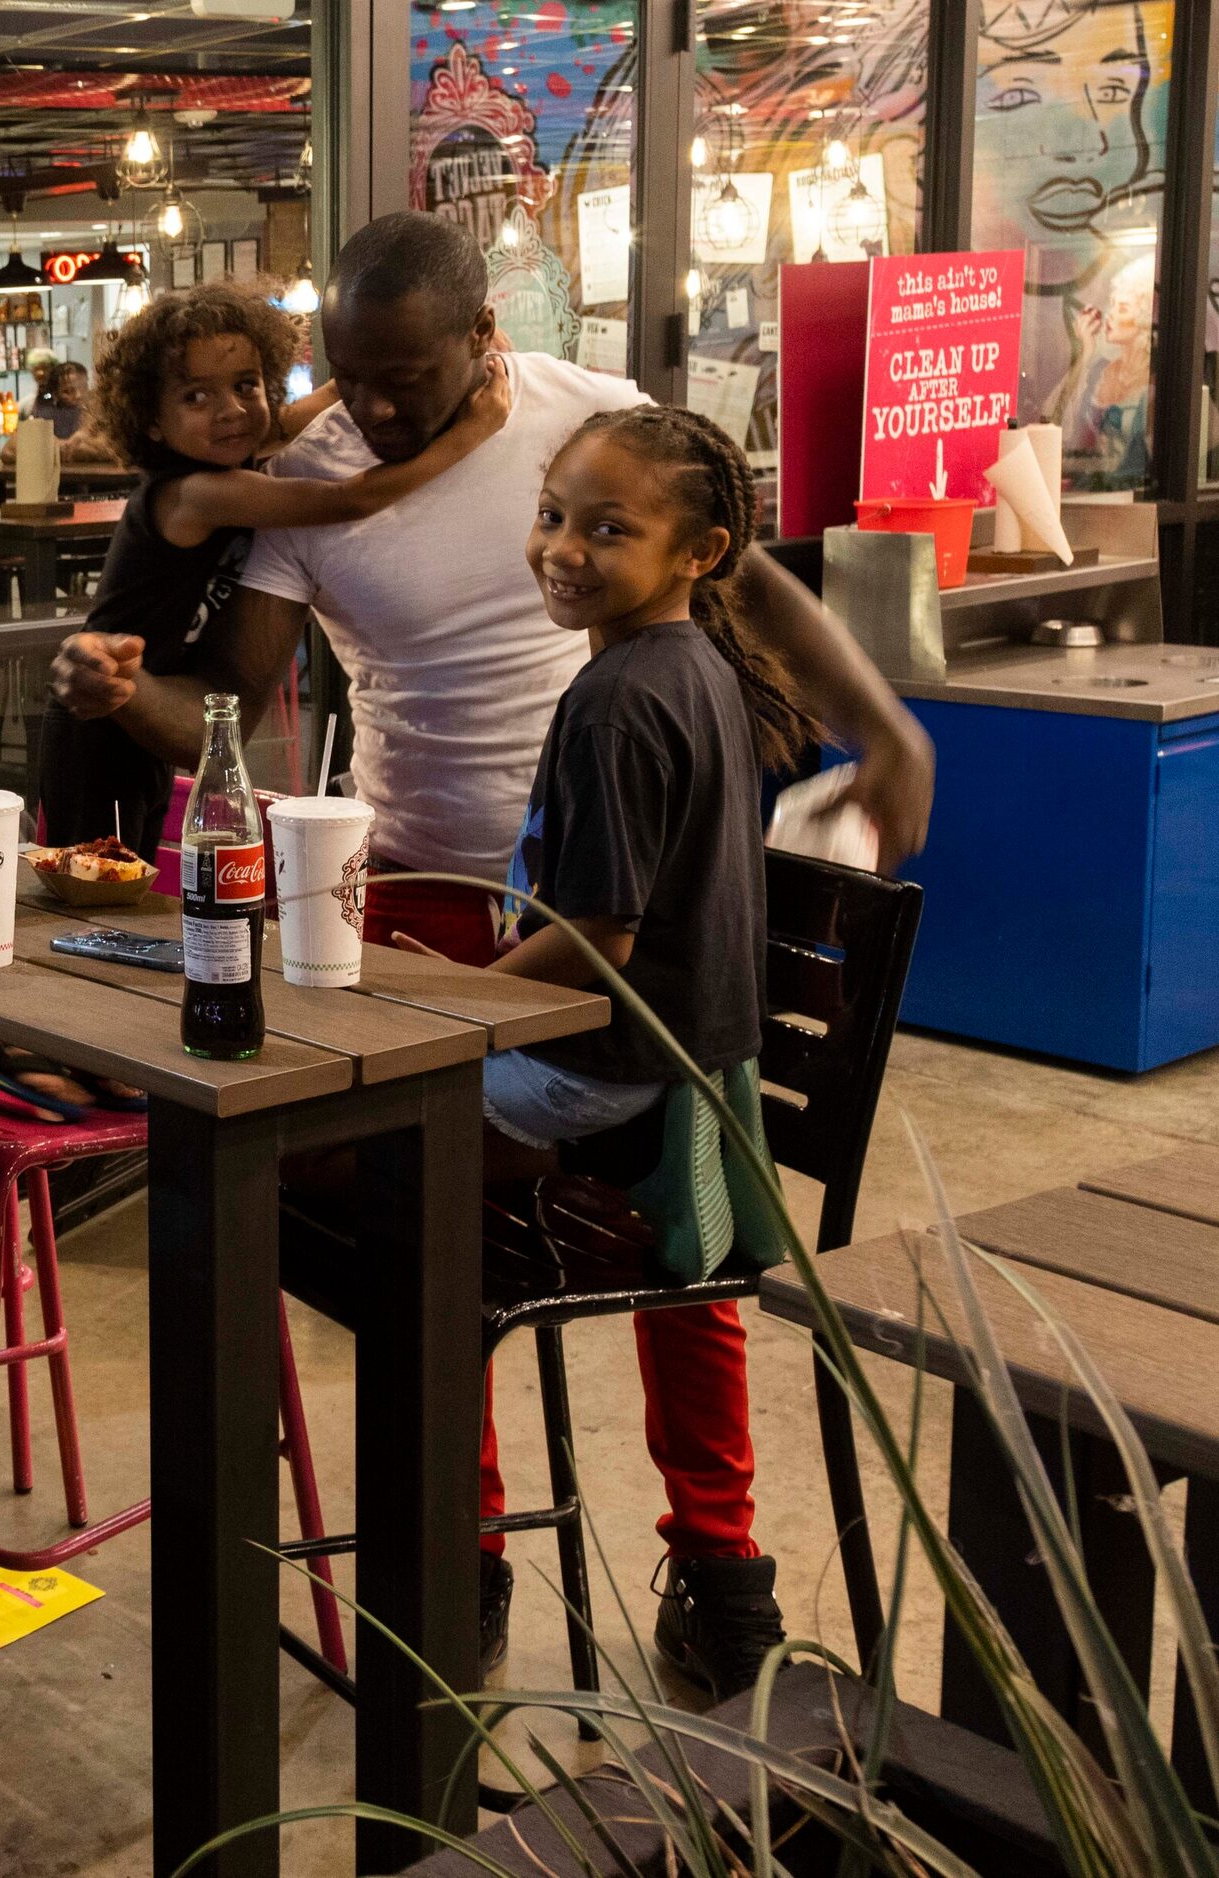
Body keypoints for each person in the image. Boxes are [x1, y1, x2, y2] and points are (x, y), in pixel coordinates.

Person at [48, 212, 938, 1687]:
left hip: (599, 916)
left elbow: (754, 578)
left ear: (486, 341)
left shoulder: (588, 428)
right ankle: (454, 1546)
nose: (376, 405)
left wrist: (886, 722)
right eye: (352, 373)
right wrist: (108, 687)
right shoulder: (302, 487)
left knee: (684, 1225)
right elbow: (230, 694)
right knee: (421, 1211)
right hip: (429, 879)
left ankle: (718, 1555)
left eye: (408, 374)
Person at [406, 402, 822, 1693]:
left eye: (606, 528)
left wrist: (458, 995)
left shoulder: (614, 703)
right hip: (700, 1078)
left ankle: (456, 1547)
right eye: (551, 517)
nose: (562, 549)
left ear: (698, 551)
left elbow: (597, 935)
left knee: (386, 1179)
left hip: (609, 1078)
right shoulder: (697, 665)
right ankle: (719, 1571)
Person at [34, 279, 509, 848]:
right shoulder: (198, 493)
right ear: (152, 420)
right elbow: (350, 498)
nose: (231, 411)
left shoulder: (219, 449)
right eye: (196, 397)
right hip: (98, 714)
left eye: (246, 384)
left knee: (131, 870)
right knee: (93, 876)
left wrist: (369, 373)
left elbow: (281, 423)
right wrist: (472, 432)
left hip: (143, 701)